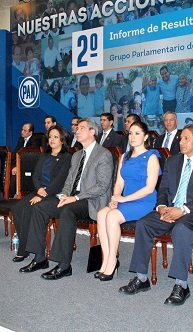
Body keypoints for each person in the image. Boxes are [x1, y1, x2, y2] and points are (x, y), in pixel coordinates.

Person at [119, 125, 193, 305]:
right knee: (144, 224)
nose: (180, 142)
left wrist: (182, 209)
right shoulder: (173, 161)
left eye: (186, 139)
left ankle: (181, 285)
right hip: (170, 209)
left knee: (182, 228)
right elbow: (163, 189)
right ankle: (141, 278)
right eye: (180, 138)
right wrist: (161, 206)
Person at [20, 118, 113, 279]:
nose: (77, 130)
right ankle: (39, 258)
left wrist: (75, 198)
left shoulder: (103, 154)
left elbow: (101, 186)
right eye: (77, 128)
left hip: (91, 201)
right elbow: (69, 181)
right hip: (72, 198)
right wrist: (64, 195)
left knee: (67, 210)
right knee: (39, 206)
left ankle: (63, 265)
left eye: (82, 128)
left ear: (92, 132)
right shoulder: (76, 155)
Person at [96, 121, 161, 281]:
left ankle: (112, 262)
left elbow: (149, 188)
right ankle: (105, 260)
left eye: (137, 133)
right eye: (130, 133)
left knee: (111, 217)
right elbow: (119, 182)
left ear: (145, 136)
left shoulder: (152, 156)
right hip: (125, 200)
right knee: (102, 214)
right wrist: (115, 198)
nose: (132, 136)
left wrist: (124, 198)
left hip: (144, 201)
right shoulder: (124, 156)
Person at [11, 126, 72, 262]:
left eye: (56, 137)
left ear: (62, 140)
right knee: (17, 209)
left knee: (29, 209)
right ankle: (25, 246)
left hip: (53, 193)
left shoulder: (66, 157)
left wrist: (43, 194)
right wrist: (38, 189)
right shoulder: (44, 155)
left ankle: (26, 250)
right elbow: (36, 175)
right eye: (50, 137)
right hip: (39, 191)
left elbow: (60, 181)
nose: (52, 139)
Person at [9, 122, 42, 197]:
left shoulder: (35, 140)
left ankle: (11, 197)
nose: (22, 132)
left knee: (15, 177)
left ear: (30, 132)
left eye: (25, 131)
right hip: (18, 164)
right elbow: (15, 154)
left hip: (28, 166)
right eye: (22, 130)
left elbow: (29, 158)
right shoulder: (21, 139)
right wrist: (13, 165)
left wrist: (18, 167)